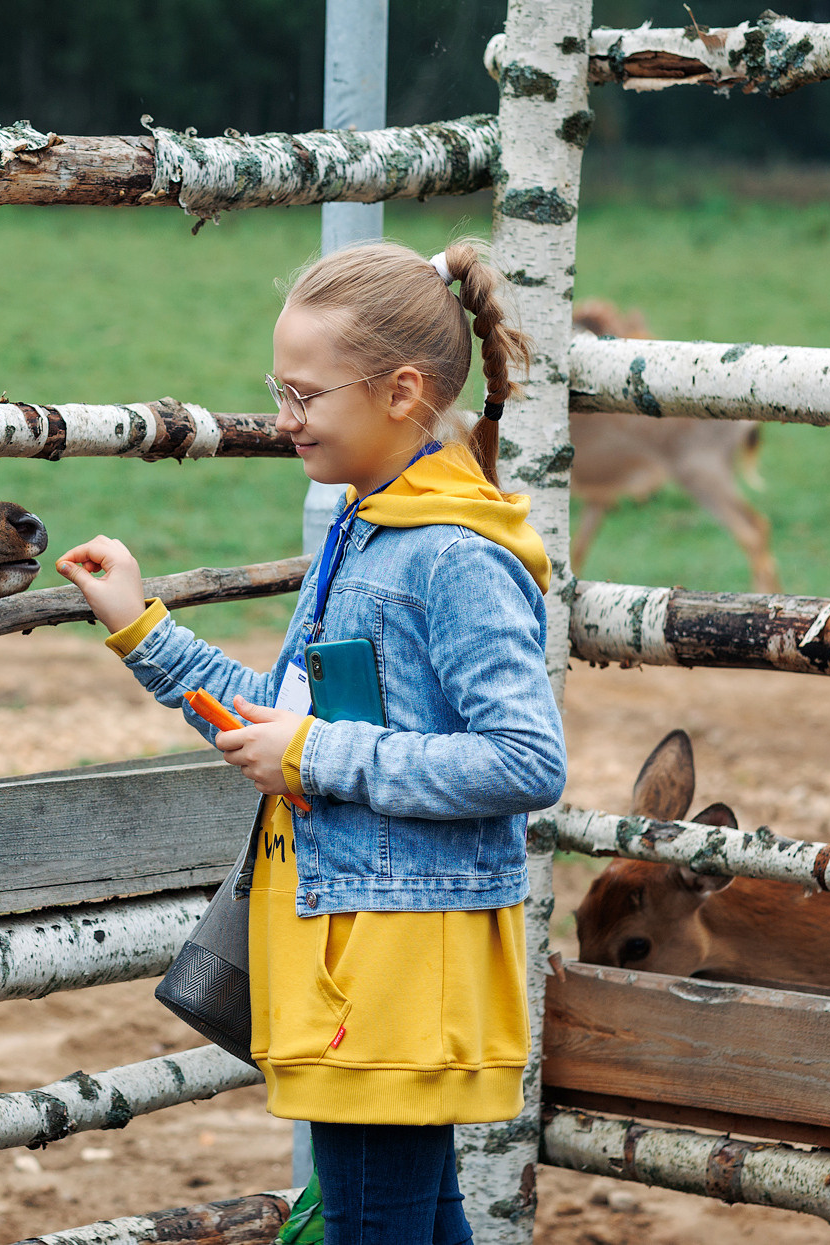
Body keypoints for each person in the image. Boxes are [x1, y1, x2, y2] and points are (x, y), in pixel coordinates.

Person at [56, 240, 566, 1245]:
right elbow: (285, 712)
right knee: (416, 1227)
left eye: (302, 395)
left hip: (388, 973)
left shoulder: (453, 555)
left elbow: (523, 758)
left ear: (399, 392)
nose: (280, 419)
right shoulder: (365, 527)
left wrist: (314, 757)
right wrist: (141, 630)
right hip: (351, 960)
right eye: (274, 390)